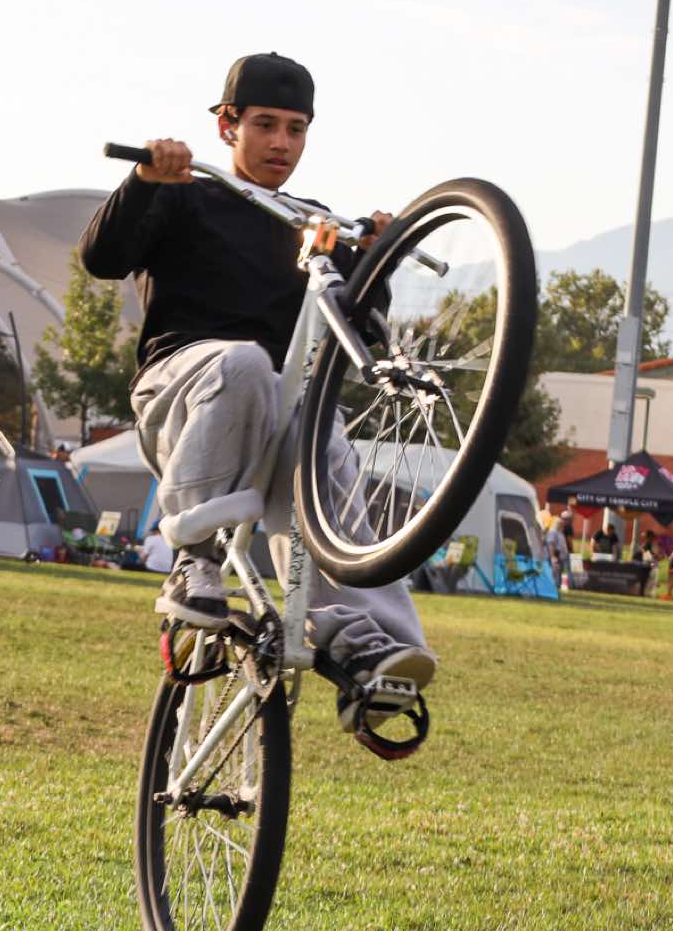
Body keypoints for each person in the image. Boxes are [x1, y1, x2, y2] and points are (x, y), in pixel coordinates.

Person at [79, 52, 435, 734]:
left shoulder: (314, 223)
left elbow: (357, 331)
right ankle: (194, 559)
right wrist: (145, 180)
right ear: (227, 126)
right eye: (265, 125)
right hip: (182, 397)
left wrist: (374, 260)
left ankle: (366, 642)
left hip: (274, 415)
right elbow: (102, 258)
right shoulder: (186, 193)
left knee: (317, 423)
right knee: (245, 361)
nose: (281, 143)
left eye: (296, 129)